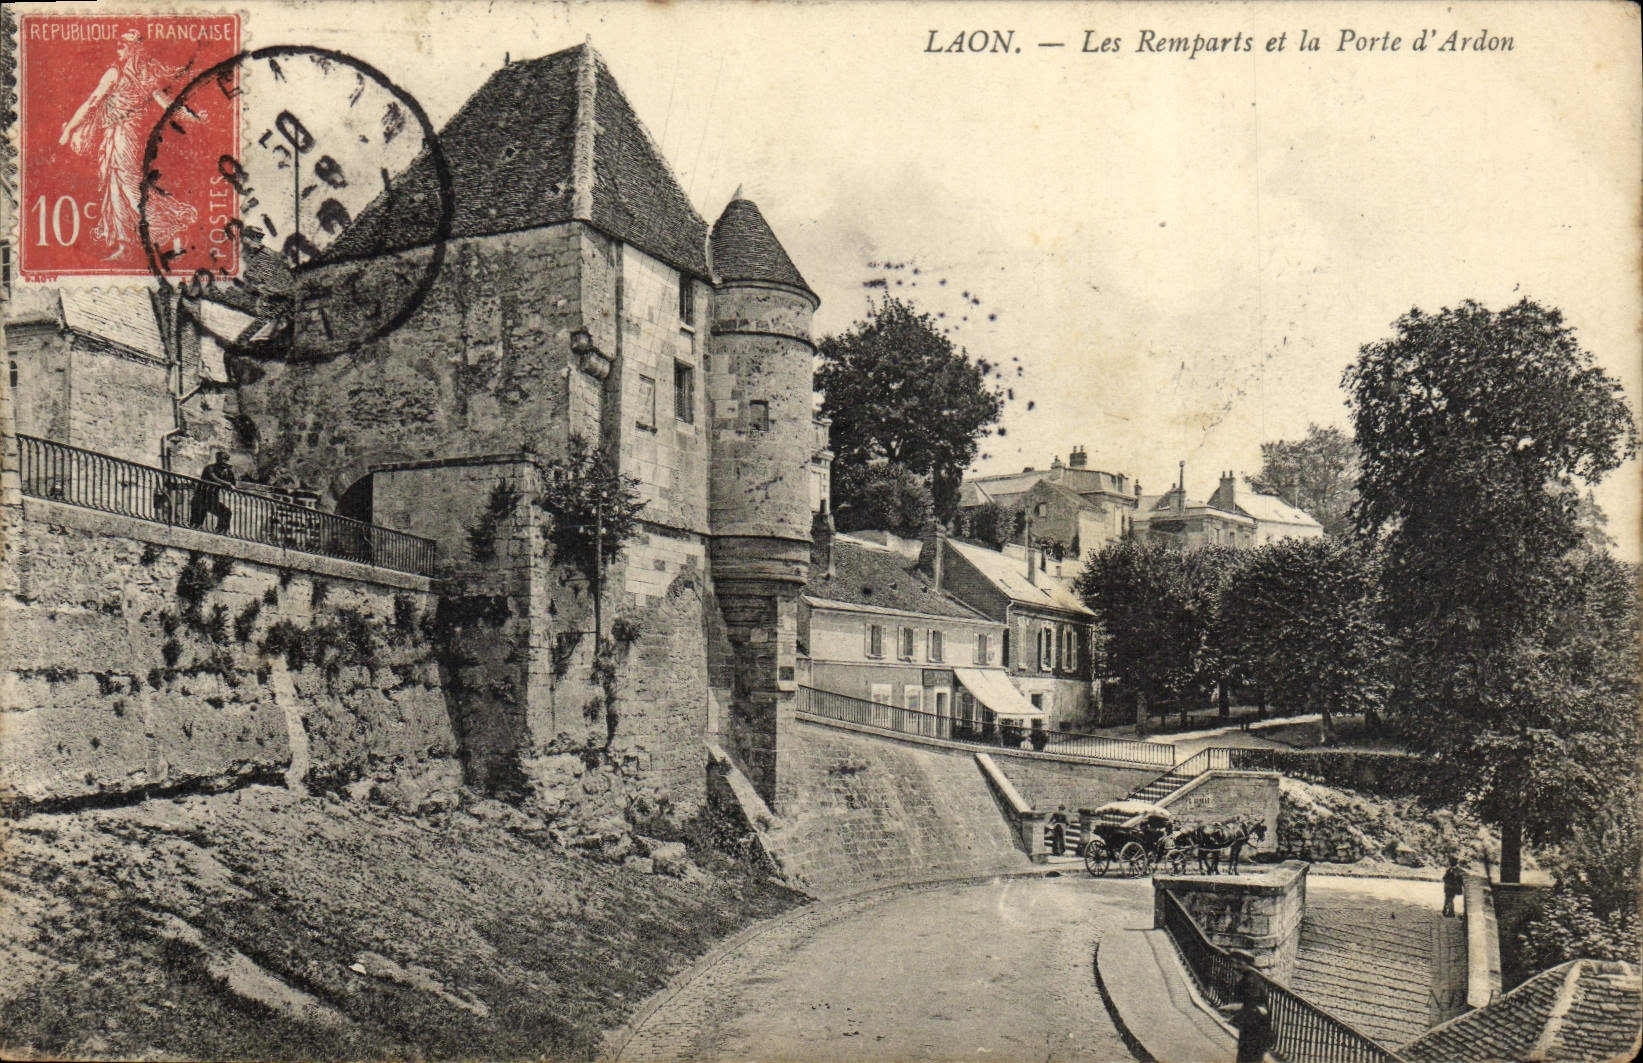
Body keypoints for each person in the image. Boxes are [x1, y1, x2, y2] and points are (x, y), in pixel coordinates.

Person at [58, 30, 202, 259]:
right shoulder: (137, 75)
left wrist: (68, 130)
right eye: (118, 46)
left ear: (133, 50)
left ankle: (137, 238)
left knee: (124, 184)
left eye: (122, 46)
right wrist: (190, 116)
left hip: (122, 137)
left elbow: (92, 103)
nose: (118, 50)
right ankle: (129, 241)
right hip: (121, 136)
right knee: (121, 184)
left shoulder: (121, 74)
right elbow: (167, 104)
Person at [1229, 950, 1271, 1063]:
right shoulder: (1248, 978)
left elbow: (1252, 1005)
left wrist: (1232, 1009)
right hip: (1250, 1028)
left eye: (1238, 963)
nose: (1235, 966)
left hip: (1256, 1030)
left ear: (1247, 964)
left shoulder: (1251, 981)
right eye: (1233, 963)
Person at [192, 451, 236, 533]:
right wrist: (226, 483)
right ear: (217, 459)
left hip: (212, 498)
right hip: (201, 497)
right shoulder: (210, 468)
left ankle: (221, 530)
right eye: (223, 459)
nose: (225, 462)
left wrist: (229, 472)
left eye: (227, 460)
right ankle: (194, 528)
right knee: (197, 521)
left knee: (226, 512)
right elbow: (215, 478)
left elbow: (233, 483)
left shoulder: (226, 471)